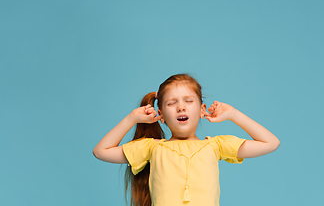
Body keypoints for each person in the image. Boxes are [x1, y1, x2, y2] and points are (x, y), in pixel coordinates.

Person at [93, 74, 280, 206]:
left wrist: (233, 114)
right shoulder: (152, 148)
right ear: (161, 115)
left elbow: (270, 143)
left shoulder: (216, 145)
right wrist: (131, 118)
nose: (181, 107)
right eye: (171, 103)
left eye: (188, 101)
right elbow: (101, 151)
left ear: (201, 109)